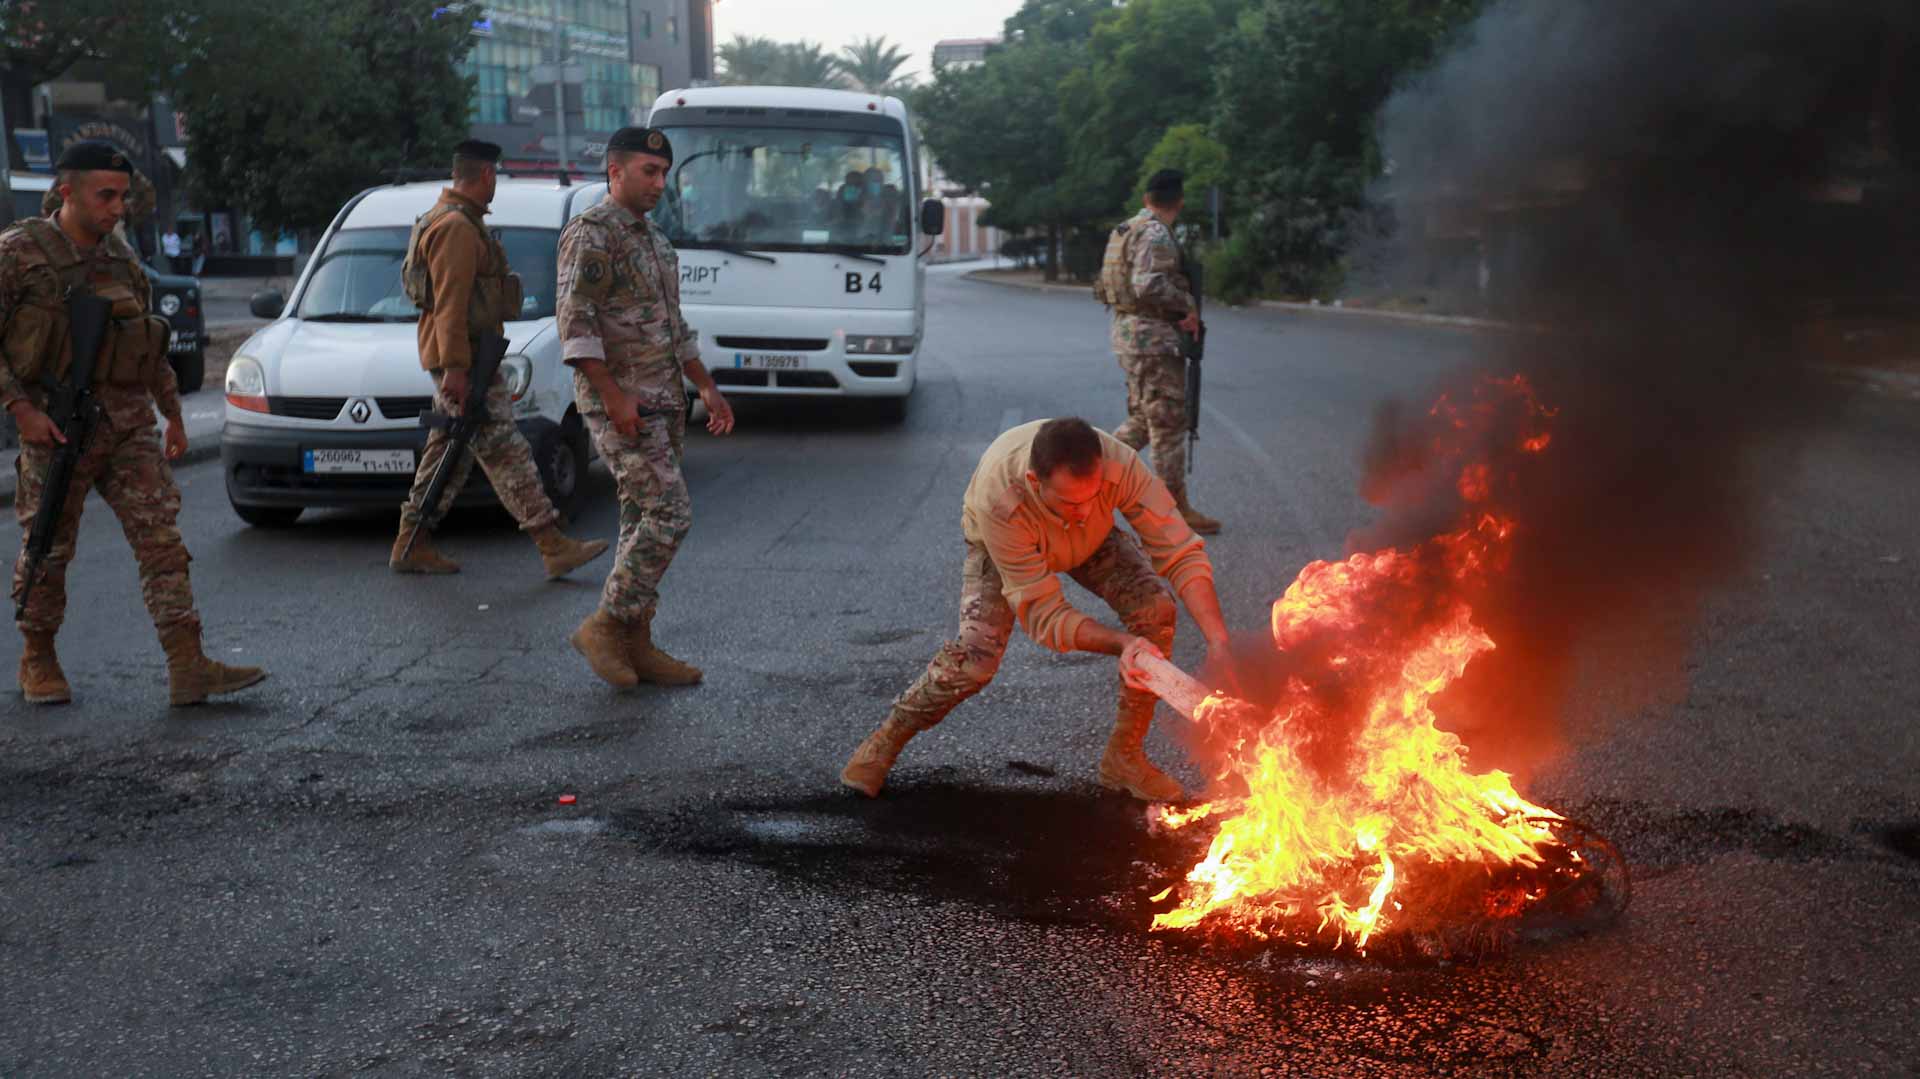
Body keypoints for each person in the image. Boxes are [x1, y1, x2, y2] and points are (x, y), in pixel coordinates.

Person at [840, 417, 1235, 802]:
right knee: (975, 660)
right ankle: (886, 740)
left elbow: (1179, 549)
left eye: (1092, 497)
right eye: (1069, 501)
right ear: (1035, 482)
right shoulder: (999, 499)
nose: (1082, 510)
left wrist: (1218, 641)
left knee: (1155, 610)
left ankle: (1124, 759)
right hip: (1007, 546)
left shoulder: (1118, 464)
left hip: (1092, 543)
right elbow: (1044, 613)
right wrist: (1122, 643)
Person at [0, 142, 265, 706]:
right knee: (48, 546)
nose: (117, 207)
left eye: (122, 196)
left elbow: (147, 342)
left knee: (163, 543)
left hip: (126, 425)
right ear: (66, 192)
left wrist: (171, 412)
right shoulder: (19, 254)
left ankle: (187, 665)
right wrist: (22, 411)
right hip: (57, 426)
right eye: (105, 196)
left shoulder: (121, 258)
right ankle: (38, 657)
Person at [554, 126, 736, 688]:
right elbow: (575, 326)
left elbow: (672, 325)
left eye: (663, 174)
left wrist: (704, 384)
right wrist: (612, 396)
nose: (659, 183)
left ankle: (636, 641)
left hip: (664, 402)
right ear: (615, 172)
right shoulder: (592, 234)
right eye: (647, 172)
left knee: (639, 520)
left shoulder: (655, 241)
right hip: (621, 403)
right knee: (670, 514)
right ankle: (606, 626)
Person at [389, 139, 608, 580]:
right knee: (506, 449)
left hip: (469, 355)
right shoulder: (455, 228)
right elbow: (451, 302)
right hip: (467, 359)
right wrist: (455, 367)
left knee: (449, 449)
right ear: (486, 175)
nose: (496, 185)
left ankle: (410, 541)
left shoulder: (452, 219)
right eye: (496, 177)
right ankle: (552, 544)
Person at [1098, 168, 1221, 535]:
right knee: (1167, 423)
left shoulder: (1126, 228)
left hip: (1129, 336)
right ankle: (1174, 511)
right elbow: (1147, 283)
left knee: (1142, 419)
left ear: (1146, 198)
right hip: (1151, 341)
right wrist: (1186, 305)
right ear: (1179, 201)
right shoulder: (1155, 233)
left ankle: (1081, 481)